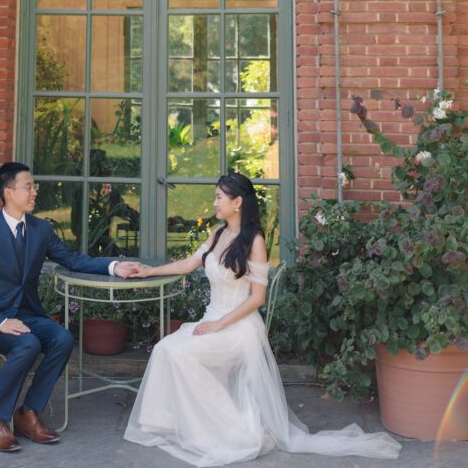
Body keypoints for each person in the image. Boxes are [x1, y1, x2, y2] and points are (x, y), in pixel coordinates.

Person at [124, 173, 401, 465]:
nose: (214, 201)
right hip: (212, 319)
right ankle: (168, 423)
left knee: (181, 355)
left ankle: (234, 432)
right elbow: (191, 262)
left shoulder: (254, 241)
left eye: (219, 196)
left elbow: (257, 298)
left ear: (238, 202)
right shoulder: (218, 234)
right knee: (163, 348)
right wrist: (149, 271)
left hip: (237, 329)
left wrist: (219, 325)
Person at [0, 161, 140, 453]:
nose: (35, 192)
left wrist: (114, 266)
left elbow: (73, 259)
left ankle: (28, 412)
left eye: (34, 186)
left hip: (28, 315)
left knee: (62, 338)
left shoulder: (40, 229)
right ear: (9, 192)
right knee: (28, 344)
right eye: (28, 186)